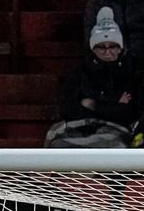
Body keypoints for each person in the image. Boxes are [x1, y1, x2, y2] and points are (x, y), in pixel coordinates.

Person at [52, 11, 139, 149]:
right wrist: (113, 105)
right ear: (93, 49)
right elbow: (67, 109)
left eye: (112, 46)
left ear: (120, 48)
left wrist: (93, 104)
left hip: (115, 132)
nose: (107, 51)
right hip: (78, 129)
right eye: (101, 47)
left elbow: (128, 112)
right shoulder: (79, 73)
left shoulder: (130, 74)